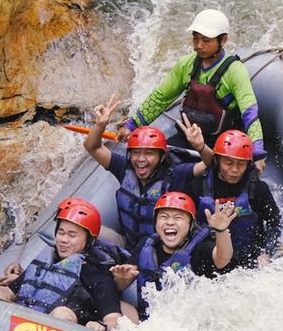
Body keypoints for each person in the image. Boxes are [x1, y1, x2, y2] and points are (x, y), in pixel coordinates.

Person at [114, 9, 267, 174]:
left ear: (223, 40)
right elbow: (160, 98)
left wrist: (257, 151)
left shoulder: (235, 71)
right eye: (195, 38)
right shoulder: (186, 64)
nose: (199, 45)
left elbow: (249, 112)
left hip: (221, 143)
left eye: (206, 40)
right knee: (159, 168)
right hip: (187, 138)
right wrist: (132, 125)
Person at [84, 94, 214, 252]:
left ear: (161, 157)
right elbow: (92, 147)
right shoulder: (123, 168)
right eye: (136, 153)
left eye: (149, 153)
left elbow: (210, 163)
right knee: (81, 228)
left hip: (160, 250)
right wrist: (100, 125)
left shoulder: (176, 174)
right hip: (128, 245)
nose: (141, 159)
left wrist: (200, 146)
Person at [0, 198, 123, 331]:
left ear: (90, 240)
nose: (64, 239)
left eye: (72, 235)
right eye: (61, 232)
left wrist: (101, 326)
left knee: (62, 314)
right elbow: (11, 293)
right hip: (18, 327)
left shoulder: (97, 277)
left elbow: (114, 319)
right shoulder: (45, 261)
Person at [111, 192, 237, 320]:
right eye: (164, 217)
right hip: (149, 319)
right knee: (115, 306)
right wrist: (122, 279)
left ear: (190, 225)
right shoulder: (147, 244)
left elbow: (222, 259)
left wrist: (221, 231)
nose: (170, 222)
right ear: (156, 223)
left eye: (178, 217)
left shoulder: (200, 248)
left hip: (187, 322)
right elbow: (123, 282)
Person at [186, 130, 281, 270]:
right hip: (211, 260)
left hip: (249, 259)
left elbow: (275, 223)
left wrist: (266, 252)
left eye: (241, 164)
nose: (235, 170)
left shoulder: (258, 189)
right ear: (217, 160)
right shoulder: (197, 187)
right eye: (228, 163)